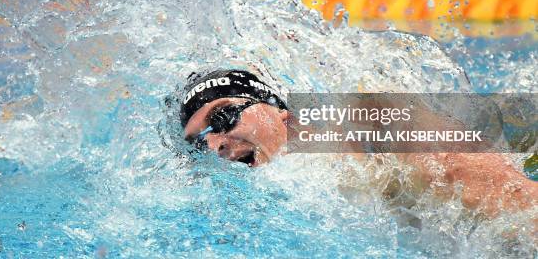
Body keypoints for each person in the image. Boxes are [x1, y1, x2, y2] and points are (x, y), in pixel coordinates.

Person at [179, 68, 538, 219]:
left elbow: (519, 206)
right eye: (198, 142)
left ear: (281, 113)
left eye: (222, 118)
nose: (215, 146)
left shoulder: (381, 126)